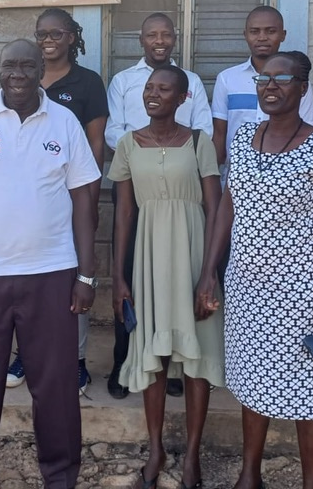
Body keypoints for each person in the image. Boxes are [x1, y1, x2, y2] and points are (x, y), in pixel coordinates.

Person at [0, 39, 101, 489]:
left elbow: (84, 203)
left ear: (40, 70)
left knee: (56, 386)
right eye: (9, 65)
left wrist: (87, 275)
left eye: (27, 66)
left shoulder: (65, 123)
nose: (17, 74)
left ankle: (60, 476)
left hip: (52, 274)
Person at [197, 51, 313, 489]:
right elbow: (227, 208)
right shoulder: (244, 137)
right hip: (246, 287)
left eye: (282, 79)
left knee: (310, 391)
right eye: (264, 78)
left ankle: (310, 484)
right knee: (253, 380)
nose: (270, 85)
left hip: (300, 292)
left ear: (302, 88)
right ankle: (250, 474)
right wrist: (210, 271)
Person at [111, 65, 223, 489]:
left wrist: (209, 273)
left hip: (194, 255)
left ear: (182, 98)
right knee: (153, 354)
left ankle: (192, 454)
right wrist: (119, 277)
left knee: (196, 357)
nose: (153, 94)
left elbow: (215, 208)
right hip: (149, 257)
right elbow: (124, 213)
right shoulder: (127, 144)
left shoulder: (198, 141)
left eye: (164, 89)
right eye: (149, 88)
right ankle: (155, 449)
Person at [104, 12, 213, 400]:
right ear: (141, 39)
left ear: (175, 39)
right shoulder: (123, 81)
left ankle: (175, 363)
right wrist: (141, 150)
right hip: (137, 181)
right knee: (132, 277)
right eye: (152, 34)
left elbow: (204, 128)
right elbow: (113, 130)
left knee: (179, 277)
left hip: (181, 186)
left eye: (166, 34)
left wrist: (169, 149)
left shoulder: (191, 82)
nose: (160, 40)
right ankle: (125, 362)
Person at [6, 7, 108, 395]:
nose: (48, 41)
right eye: (41, 34)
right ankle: (24, 354)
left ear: (72, 37)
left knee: (74, 277)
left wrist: (91, 199)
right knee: (23, 278)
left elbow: (95, 144)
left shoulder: (87, 82)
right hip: (25, 201)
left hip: (70, 196)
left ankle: (75, 359)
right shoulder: (22, 78)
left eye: (56, 33)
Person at [212, 6, 313, 171]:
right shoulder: (227, 79)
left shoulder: (296, 81)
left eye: (271, 31)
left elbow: (308, 129)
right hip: (237, 173)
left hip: (285, 172)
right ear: (245, 35)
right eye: (254, 31)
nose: (262, 37)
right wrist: (215, 175)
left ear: (283, 35)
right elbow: (219, 134)